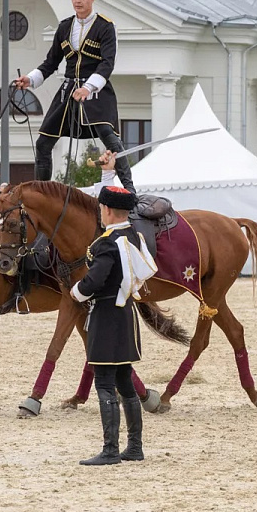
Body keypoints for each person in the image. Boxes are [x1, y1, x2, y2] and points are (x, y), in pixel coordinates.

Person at [13, 0, 135, 192]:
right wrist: (30, 80)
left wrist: (88, 87)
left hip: (97, 92)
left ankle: (130, 190)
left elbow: (107, 63)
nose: (78, 1)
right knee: (43, 143)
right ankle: (41, 193)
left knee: (110, 137)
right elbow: (51, 62)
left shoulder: (105, 27)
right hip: (68, 91)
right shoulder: (64, 27)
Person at [70, 184, 159, 465]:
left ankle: (110, 450)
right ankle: (134, 447)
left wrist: (76, 291)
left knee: (105, 382)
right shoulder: (134, 236)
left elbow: (94, 281)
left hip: (107, 316)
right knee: (124, 380)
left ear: (107, 210)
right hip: (126, 315)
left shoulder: (106, 243)